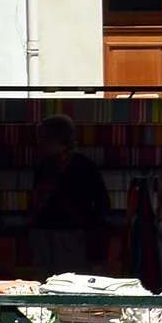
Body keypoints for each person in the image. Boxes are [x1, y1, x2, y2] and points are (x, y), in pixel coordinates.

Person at [29, 114, 111, 276]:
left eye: (43, 138)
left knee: (69, 282)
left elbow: (102, 204)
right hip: (47, 234)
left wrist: (85, 227)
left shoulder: (83, 167)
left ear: (55, 139)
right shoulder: (44, 166)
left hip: (72, 235)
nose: (39, 143)